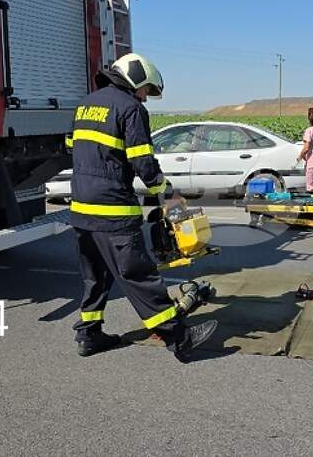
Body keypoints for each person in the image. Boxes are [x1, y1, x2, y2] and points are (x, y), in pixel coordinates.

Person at [68, 53, 217, 362]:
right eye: (146, 90)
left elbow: (72, 146)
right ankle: (179, 338)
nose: (145, 97)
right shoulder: (130, 108)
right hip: (113, 211)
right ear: (135, 78)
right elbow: (143, 162)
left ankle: (89, 335)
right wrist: (167, 192)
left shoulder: (86, 104)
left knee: (96, 276)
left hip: (81, 209)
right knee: (138, 275)